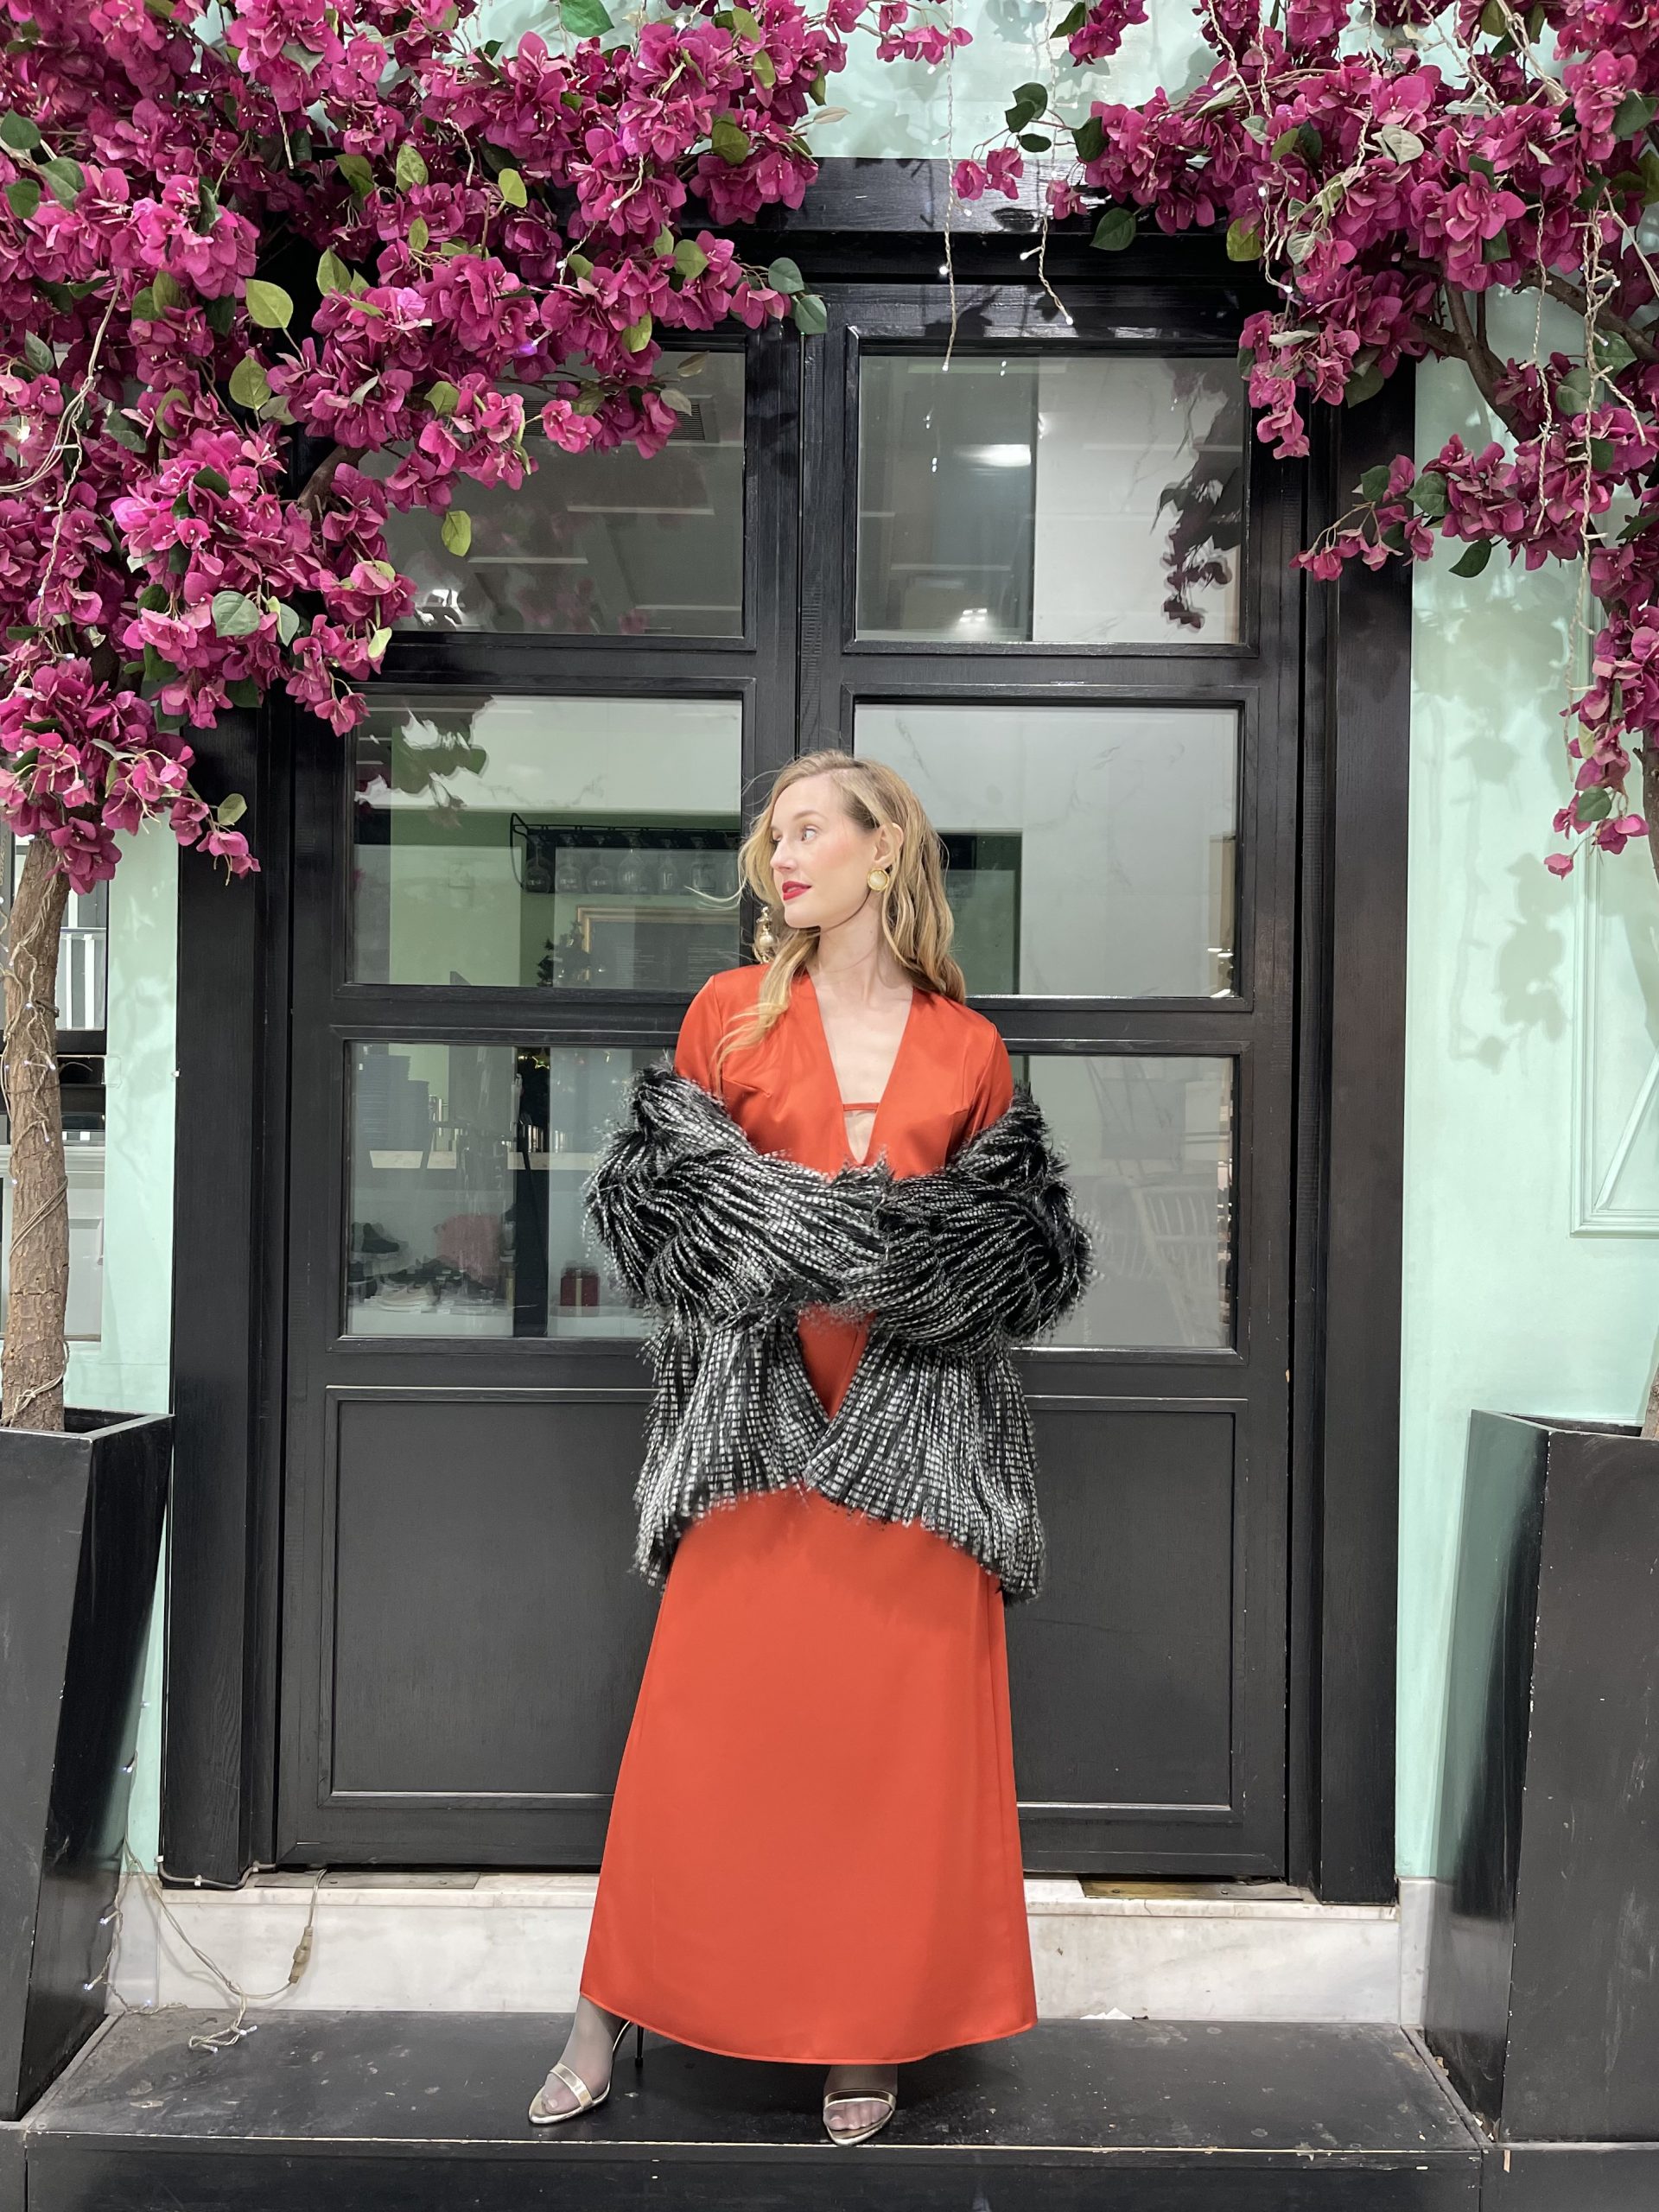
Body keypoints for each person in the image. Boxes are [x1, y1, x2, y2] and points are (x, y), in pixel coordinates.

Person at [530, 749, 1079, 2144]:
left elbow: (1010, 1251)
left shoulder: (968, 1045)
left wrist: (874, 1252)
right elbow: (669, 1213)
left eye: (811, 832)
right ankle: (609, 2009)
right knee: (703, 1735)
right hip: (756, 1430)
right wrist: (840, 1236)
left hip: (914, 1436)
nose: (782, 859)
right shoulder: (727, 1013)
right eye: (774, 838)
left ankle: (864, 2032)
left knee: (894, 1749)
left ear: (884, 851)